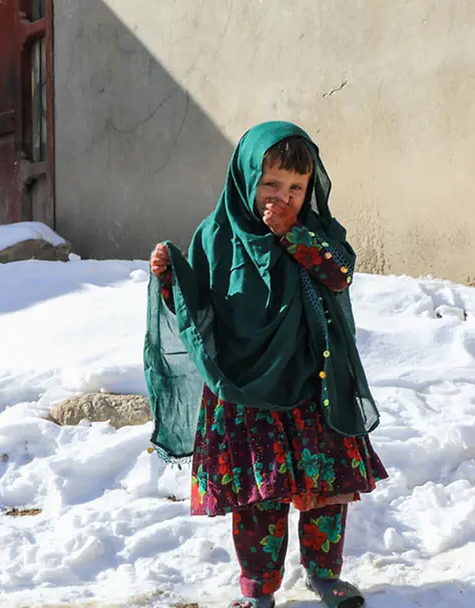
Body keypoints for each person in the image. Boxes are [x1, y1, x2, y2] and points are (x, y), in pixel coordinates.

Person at [144, 121, 386, 608]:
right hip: (247, 394)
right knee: (261, 498)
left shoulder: (315, 232)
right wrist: (171, 279)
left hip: (312, 385)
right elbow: (202, 313)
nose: (285, 196)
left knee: (326, 490)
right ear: (245, 179)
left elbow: (339, 274)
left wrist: (293, 234)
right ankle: (258, 591)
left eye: (297, 187)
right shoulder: (214, 237)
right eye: (271, 184)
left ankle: (324, 575)